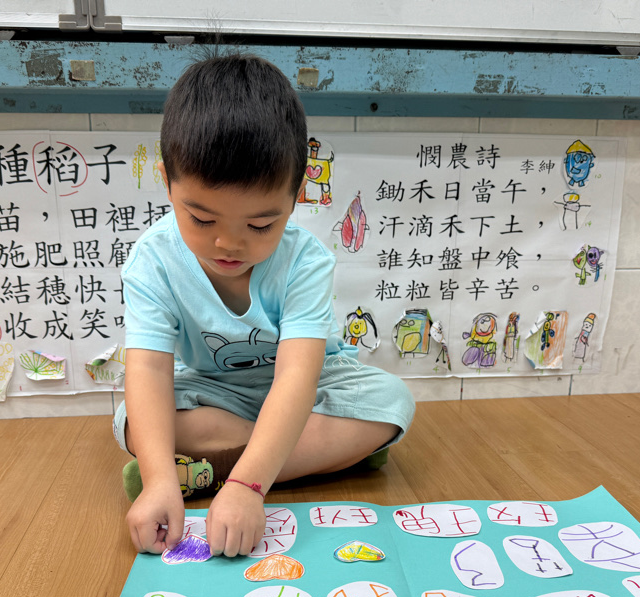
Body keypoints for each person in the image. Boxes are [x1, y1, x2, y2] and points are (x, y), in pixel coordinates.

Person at [114, 53, 415, 559]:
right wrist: (159, 481)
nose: (228, 245)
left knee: (391, 403)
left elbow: (297, 377)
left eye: (260, 225)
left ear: (296, 195)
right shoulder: (152, 260)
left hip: (310, 386)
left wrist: (248, 487)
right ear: (167, 182)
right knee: (131, 420)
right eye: (202, 220)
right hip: (217, 391)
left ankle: (217, 470)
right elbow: (148, 368)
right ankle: (317, 455)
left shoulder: (306, 261)